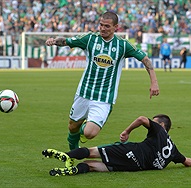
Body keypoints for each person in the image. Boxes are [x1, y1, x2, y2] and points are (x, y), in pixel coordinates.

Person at [45, 11, 160, 150]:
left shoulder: (122, 45)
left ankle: (75, 150)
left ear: (115, 27)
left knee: (89, 133)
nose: (102, 29)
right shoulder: (89, 39)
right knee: (72, 126)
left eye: (106, 26)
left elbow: (145, 59)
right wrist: (54, 41)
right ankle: (74, 150)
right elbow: (66, 41)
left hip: (104, 97)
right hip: (84, 92)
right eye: (101, 25)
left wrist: (154, 82)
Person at [42, 114, 191, 176]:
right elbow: (187, 161)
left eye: (156, 122)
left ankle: (65, 155)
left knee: (93, 152)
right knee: (90, 166)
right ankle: (74, 170)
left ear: (161, 125)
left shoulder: (158, 130)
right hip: (134, 167)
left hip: (131, 151)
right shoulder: (173, 150)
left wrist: (127, 131)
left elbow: (142, 119)